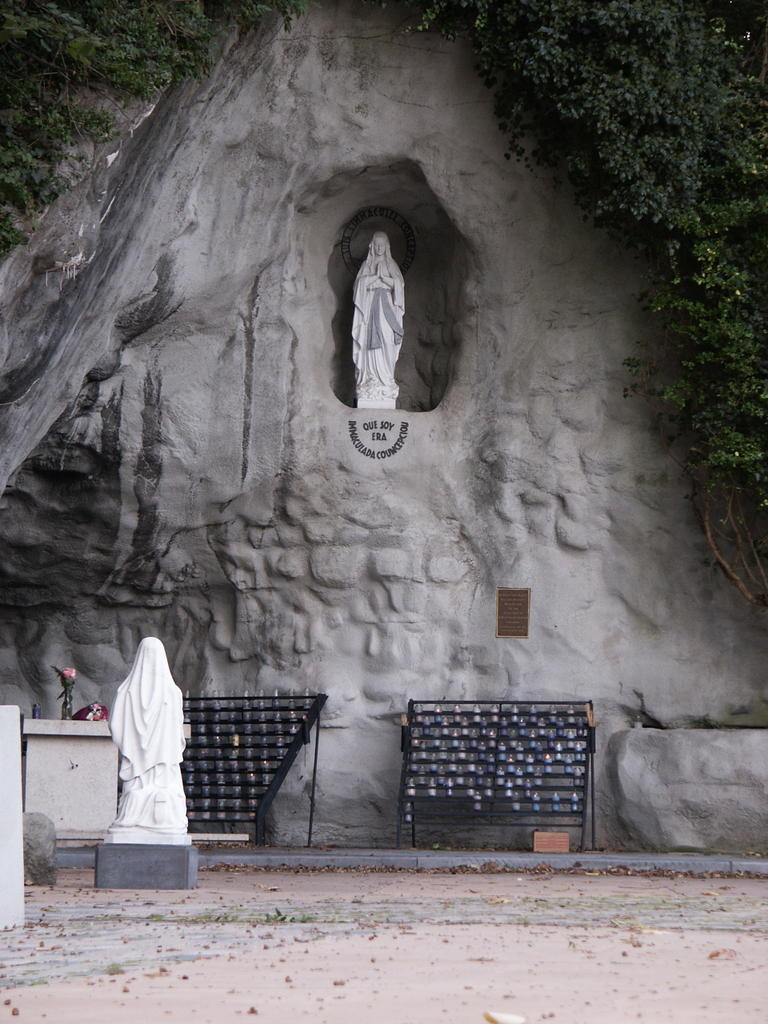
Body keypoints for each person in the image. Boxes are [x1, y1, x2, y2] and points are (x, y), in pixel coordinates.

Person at [105, 636, 189, 844]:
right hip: (164, 761)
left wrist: (132, 745)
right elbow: (178, 730)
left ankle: (134, 820)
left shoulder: (126, 691)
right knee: (164, 791)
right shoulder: (172, 692)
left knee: (136, 791)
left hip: (136, 764)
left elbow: (115, 725)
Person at [352, 230, 405, 406]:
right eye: (376, 244)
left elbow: (399, 285)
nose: (379, 248)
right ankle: (370, 379)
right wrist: (374, 277)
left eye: (382, 244)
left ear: (387, 246)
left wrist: (385, 279)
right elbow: (359, 286)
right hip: (369, 311)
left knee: (387, 341)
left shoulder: (391, 264)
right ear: (372, 246)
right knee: (369, 345)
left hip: (387, 311)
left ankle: (386, 379)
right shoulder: (366, 265)